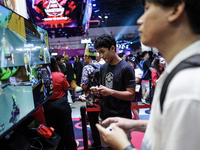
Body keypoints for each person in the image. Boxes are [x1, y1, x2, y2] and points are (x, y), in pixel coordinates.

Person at [96, 0, 200, 150]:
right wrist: (136, 124)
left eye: (147, 8)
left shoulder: (186, 85)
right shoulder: (177, 73)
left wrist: (124, 146)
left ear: (175, 9)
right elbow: (167, 125)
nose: (140, 20)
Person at [91, 34, 136, 148]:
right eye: (98, 53)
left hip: (121, 117)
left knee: (123, 147)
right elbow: (104, 88)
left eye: (102, 51)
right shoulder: (103, 67)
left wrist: (111, 92)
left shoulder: (126, 68)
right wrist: (97, 91)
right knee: (109, 146)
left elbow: (131, 95)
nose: (100, 56)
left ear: (112, 48)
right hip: (104, 115)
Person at [43, 57, 78, 150]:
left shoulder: (43, 76)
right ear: (55, 64)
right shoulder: (59, 75)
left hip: (48, 106)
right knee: (67, 128)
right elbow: (66, 86)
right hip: (61, 105)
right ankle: (71, 147)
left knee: (54, 129)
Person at [80, 44, 102, 150]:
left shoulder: (87, 68)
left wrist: (82, 86)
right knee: (102, 121)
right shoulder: (102, 65)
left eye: (85, 57)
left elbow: (84, 85)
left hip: (92, 101)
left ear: (88, 56)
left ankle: (97, 144)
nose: (84, 59)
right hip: (103, 99)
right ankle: (105, 142)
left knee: (94, 123)